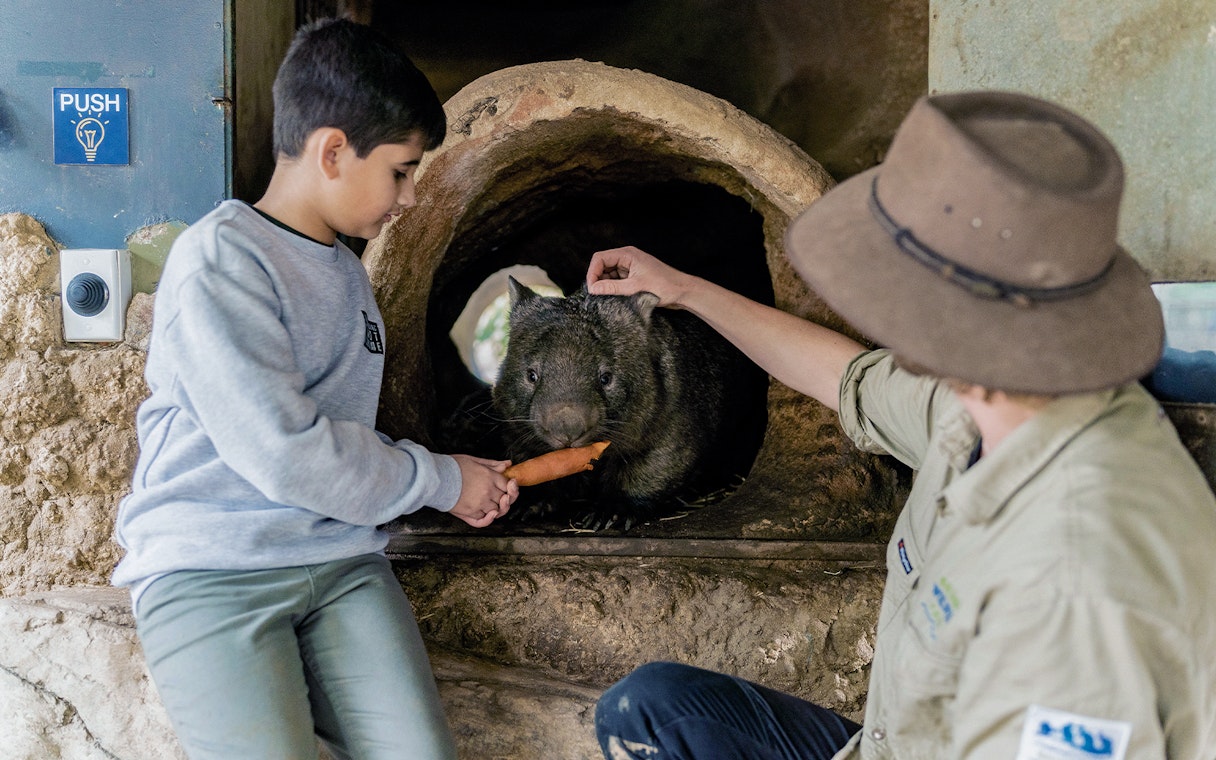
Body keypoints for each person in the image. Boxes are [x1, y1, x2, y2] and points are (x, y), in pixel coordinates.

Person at [586, 91, 1216, 759]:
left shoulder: (1075, 581)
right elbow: (847, 378)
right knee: (650, 710)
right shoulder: (988, 403)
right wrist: (682, 290)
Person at [110, 18, 517, 760]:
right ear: (333, 151)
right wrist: (440, 479)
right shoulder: (221, 259)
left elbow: (342, 437)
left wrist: (448, 477)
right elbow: (288, 452)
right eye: (402, 170)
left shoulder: (348, 276)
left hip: (339, 566)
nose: (412, 196)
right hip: (214, 570)